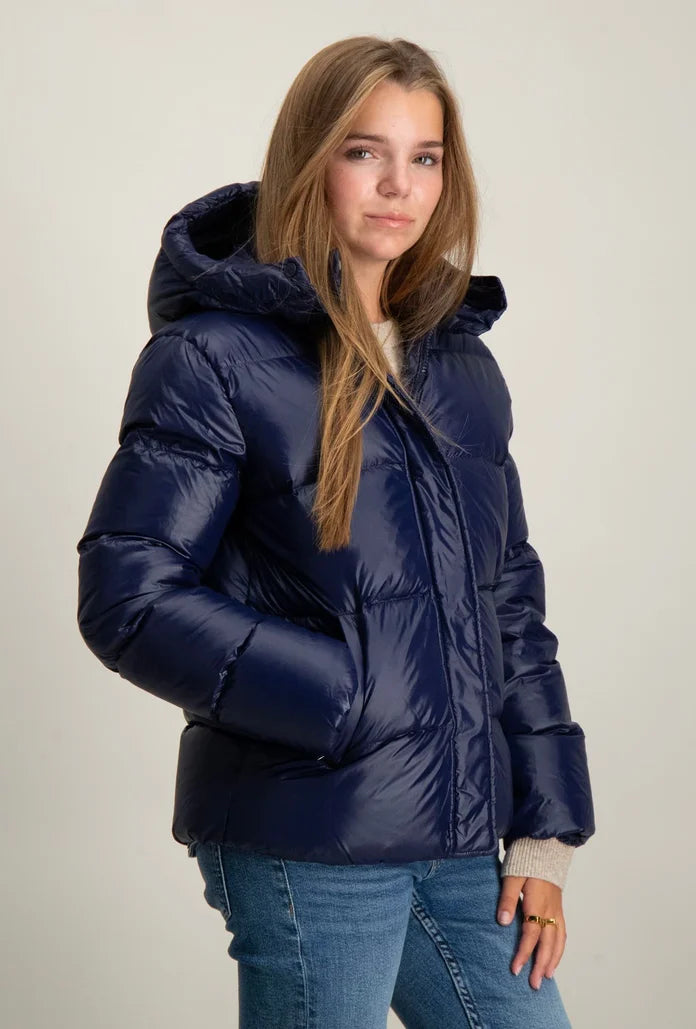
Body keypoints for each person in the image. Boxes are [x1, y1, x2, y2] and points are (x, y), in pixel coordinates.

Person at [76, 35, 595, 1029]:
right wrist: (343, 699)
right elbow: (128, 597)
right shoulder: (213, 358)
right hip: (308, 827)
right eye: (365, 151)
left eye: (424, 157)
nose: (399, 185)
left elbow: (507, 601)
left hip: (460, 833)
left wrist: (545, 833)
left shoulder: (459, 364)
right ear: (310, 159)